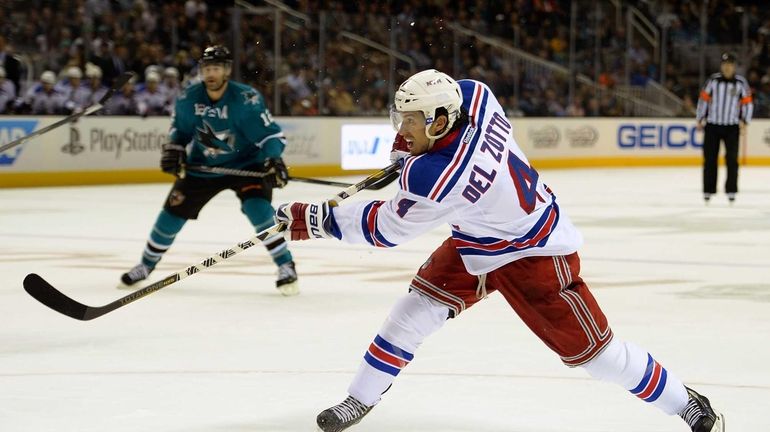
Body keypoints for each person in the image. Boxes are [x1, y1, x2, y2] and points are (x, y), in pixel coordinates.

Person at [275, 69, 725, 432]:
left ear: (437, 121)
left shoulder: (437, 177)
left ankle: (686, 403)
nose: (402, 127)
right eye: (401, 118)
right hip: (478, 239)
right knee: (412, 314)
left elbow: (386, 228)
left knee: (599, 358)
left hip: (536, 254)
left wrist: (312, 219)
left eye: (410, 121)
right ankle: (360, 397)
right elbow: (453, 102)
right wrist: (406, 154)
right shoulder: (476, 98)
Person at [120, 45, 299, 296]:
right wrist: (175, 148)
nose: (211, 73)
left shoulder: (246, 100)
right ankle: (145, 265)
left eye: (216, 68)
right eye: (207, 68)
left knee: (258, 210)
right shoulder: (189, 97)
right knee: (172, 213)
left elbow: (271, 136)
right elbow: (180, 131)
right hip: (202, 167)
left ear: (226, 70)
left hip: (247, 164)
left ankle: (285, 265)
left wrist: (273, 159)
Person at [696, 52, 753, 204]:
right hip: (713, 125)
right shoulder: (713, 81)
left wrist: (745, 122)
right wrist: (700, 118)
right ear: (722, 66)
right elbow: (703, 100)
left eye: (730, 65)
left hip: (732, 127)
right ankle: (708, 190)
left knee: (732, 160)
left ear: (734, 67)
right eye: (725, 64)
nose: (727, 67)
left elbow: (748, 103)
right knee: (710, 159)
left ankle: (731, 190)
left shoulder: (741, 83)